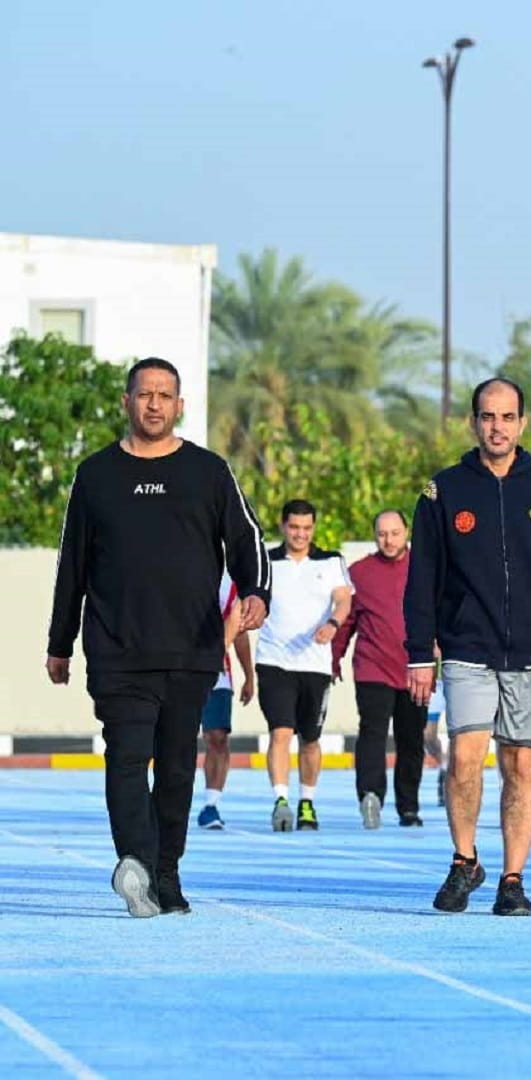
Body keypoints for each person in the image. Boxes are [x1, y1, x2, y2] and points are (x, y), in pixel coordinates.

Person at [46, 357, 270, 916]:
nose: (154, 404)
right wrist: (59, 642)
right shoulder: (95, 476)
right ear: (126, 402)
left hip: (192, 650)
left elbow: (248, 540)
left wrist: (257, 592)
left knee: (174, 770)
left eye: (164, 395)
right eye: (144, 394)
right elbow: (71, 563)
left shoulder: (208, 471)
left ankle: (166, 872)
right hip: (116, 649)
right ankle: (138, 869)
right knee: (125, 758)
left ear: (179, 405)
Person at [405, 377, 531, 917]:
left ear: (523, 423)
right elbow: (421, 579)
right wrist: (420, 651)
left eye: (507, 417)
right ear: (474, 423)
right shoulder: (444, 492)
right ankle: (464, 860)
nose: (498, 427)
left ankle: (512, 880)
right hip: (468, 648)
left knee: (522, 769)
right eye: (488, 417)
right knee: (465, 758)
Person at [256, 499, 353, 832]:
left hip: (315, 665)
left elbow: (343, 599)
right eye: (294, 527)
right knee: (280, 731)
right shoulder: (266, 562)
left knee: (310, 738)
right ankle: (280, 800)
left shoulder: (330, 561)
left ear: (313, 528)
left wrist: (333, 625)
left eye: (306, 528)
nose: (300, 534)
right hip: (273, 661)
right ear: (283, 526)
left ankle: (307, 802)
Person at [332, 510, 429, 828]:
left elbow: (444, 613)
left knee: (411, 739)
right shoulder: (359, 572)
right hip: (372, 667)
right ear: (375, 536)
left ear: (406, 532)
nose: (389, 540)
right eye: (382, 534)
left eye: (395, 533)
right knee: (372, 733)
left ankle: (409, 807)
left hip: (416, 669)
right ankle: (370, 796)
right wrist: (334, 657)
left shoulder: (425, 567)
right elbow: (347, 621)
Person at [197, 573, 255, 830]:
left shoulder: (225, 581)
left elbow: (239, 629)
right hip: (172, 667)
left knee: (217, 737)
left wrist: (249, 675)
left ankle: (211, 804)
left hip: (217, 673)